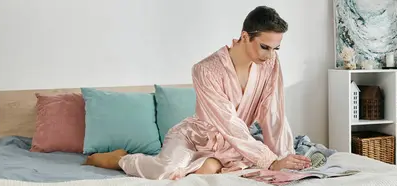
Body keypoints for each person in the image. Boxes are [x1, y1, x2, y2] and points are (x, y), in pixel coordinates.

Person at [83, 5, 311, 180]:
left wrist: (284, 159)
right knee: (167, 171)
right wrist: (271, 161)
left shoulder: (270, 64)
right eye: (265, 47)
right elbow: (228, 122)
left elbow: (274, 115)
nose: (270, 55)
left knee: (228, 172)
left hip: (235, 144)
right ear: (244, 36)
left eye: (275, 48)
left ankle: (210, 165)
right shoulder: (205, 70)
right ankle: (121, 159)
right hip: (196, 137)